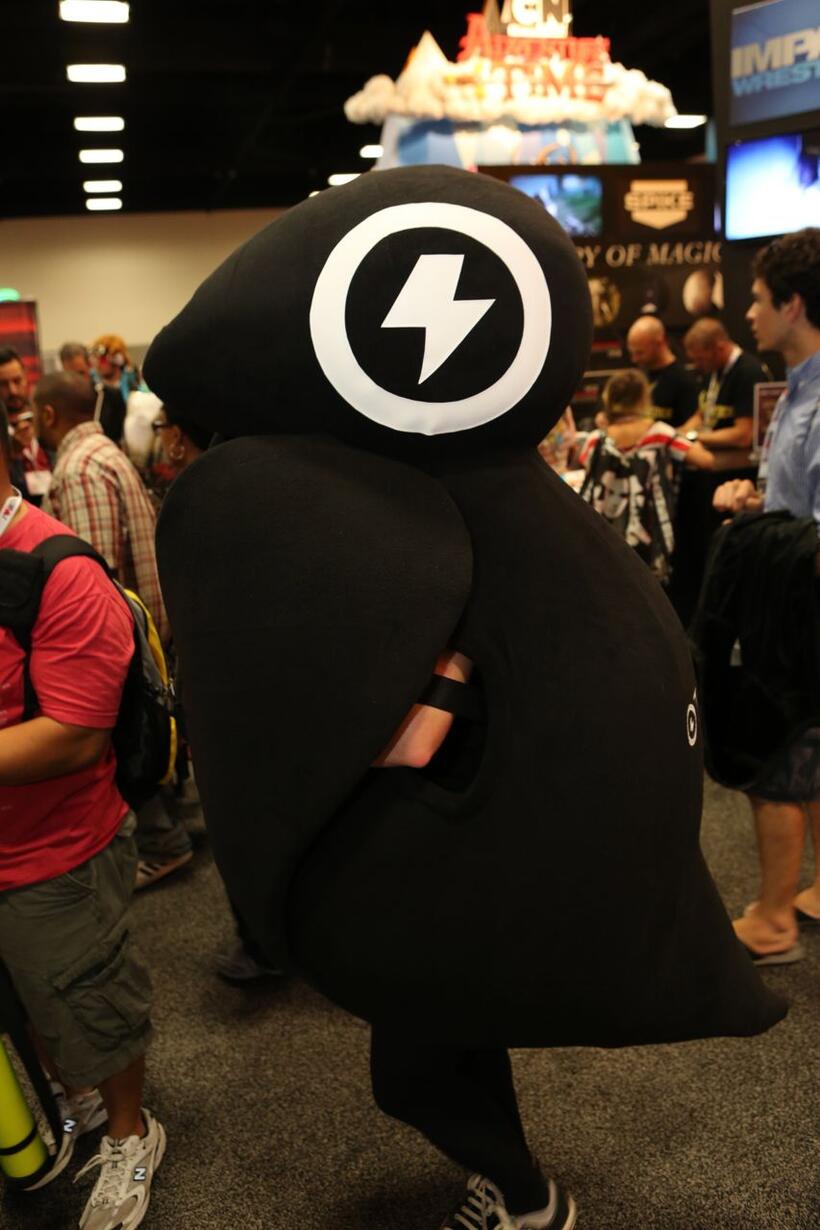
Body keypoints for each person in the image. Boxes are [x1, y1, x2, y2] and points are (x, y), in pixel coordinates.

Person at [0, 400, 165, 1229]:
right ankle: (82, 1101)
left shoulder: (57, 570)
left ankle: (131, 1132)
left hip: (55, 852)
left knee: (89, 1004)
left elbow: (72, 736)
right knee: (32, 1005)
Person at [33, 371, 193, 889]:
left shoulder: (79, 469)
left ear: (49, 415)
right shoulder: (104, 452)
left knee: (125, 732)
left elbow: (90, 572)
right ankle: (169, 829)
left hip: (122, 633)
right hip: (144, 624)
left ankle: (163, 842)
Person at [713, 227, 820, 962]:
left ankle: (774, 920)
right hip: (795, 599)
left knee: (773, 756)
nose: (748, 314)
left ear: (794, 303)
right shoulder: (799, 389)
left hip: (801, 612)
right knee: (812, 749)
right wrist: (756, 506)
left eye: (757, 301)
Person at [577, 369, 714, 581]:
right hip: (650, 538)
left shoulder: (596, 440)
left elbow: (586, 467)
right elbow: (706, 461)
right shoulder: (659, 433)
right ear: (644, 398)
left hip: (603, 538)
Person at [680, 318, 769, 450]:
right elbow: (701, 414)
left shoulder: (748, 372)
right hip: (712, 453)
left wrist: (692, 437)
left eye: (700, 359)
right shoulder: (713, 368)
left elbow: (744, 435)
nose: (697, 365)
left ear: (719, 348)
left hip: (737, 463)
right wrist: (678, 433)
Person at [626, 315, 699, 428]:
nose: (635, 359)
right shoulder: (638, 377)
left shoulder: (683, 381)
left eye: (640, 353)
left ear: (659, 344)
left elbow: (692, 425)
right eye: (632, 353)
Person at [0, 346, 52, 503]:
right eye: (3, 384)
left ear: (26, 378)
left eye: (17, 381)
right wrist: (11, 454)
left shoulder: (47, 418)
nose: (13, 390)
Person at [89, 334, 141, 445]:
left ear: (116, 358)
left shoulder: (132, 382)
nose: (99, 363)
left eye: (102, 359)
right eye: (97, 358)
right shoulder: (93, 386)